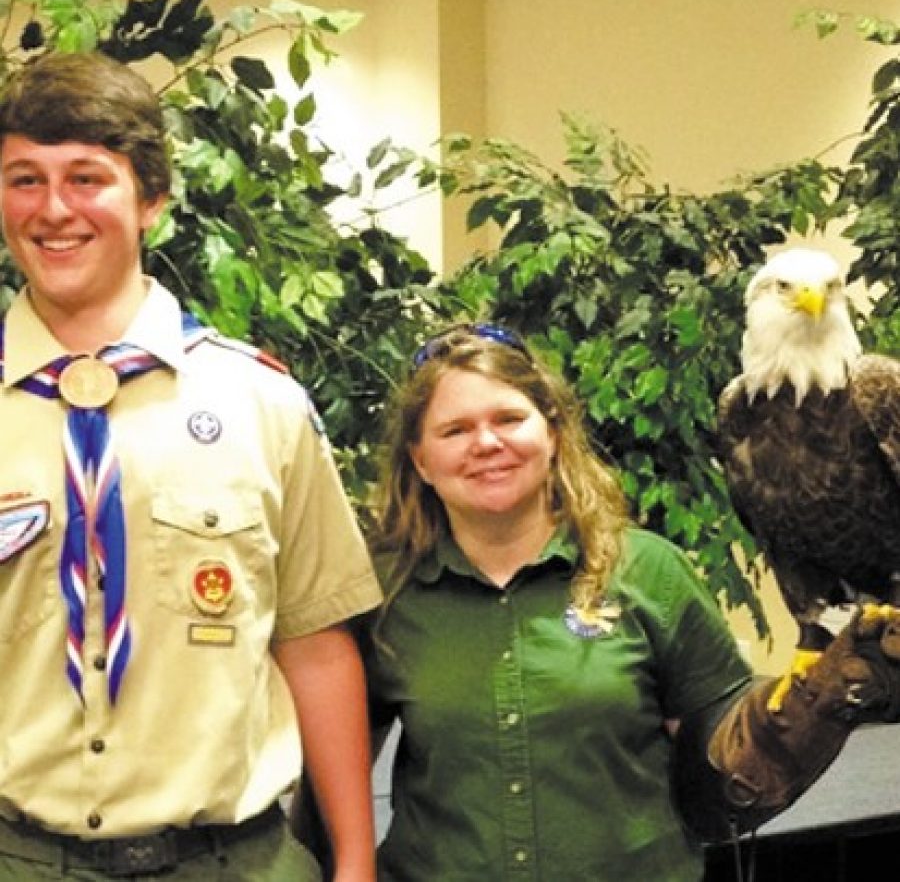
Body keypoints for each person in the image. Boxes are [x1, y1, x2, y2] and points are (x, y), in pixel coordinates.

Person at [0, 51, 382, 881]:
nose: (53, 209)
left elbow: (314, 641)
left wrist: (354, 861)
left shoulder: (261, 404)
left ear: (153, 202)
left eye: (86, 178)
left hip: (230, 860)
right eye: (24, 179)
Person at [335, 322, 900, 881]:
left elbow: (722, 781)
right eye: (455, 430)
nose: (487, 443)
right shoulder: (382, 591)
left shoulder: (648, 571)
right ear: (419, 459)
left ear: (551, 433)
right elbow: (331, 768)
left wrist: (817, 708)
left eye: (509, 419)